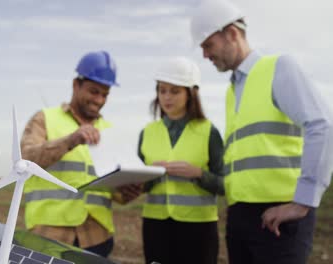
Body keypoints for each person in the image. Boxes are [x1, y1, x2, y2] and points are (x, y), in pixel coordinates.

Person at [190, 0, 333, 263]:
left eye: (208, 45)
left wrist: (302, 202)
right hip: (241, 217)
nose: (205, 55)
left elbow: (321, 125)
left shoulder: (279, 68)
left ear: (232, 33)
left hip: (280, 218)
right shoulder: (232, 91)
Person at [20, 50, 140, 258]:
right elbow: (25, 159)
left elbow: (110, 188)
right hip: (50, 235)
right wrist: (70, 141)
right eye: (94, 91)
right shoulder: (45, 119)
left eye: (105, 94)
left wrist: (126, 192)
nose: (99, 100)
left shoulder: (109, 130)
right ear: (76, 85)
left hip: (97, 237)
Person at [137, 57, 225, 264]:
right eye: (162, 90)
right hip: (155, 226)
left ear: (190, 94)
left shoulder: (209, 132)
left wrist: (199, 174)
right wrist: (148, 174)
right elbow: (139, 186)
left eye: (174, 91)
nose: (167, 97)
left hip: (198, 229)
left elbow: (225, 184)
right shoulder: (147, 133)